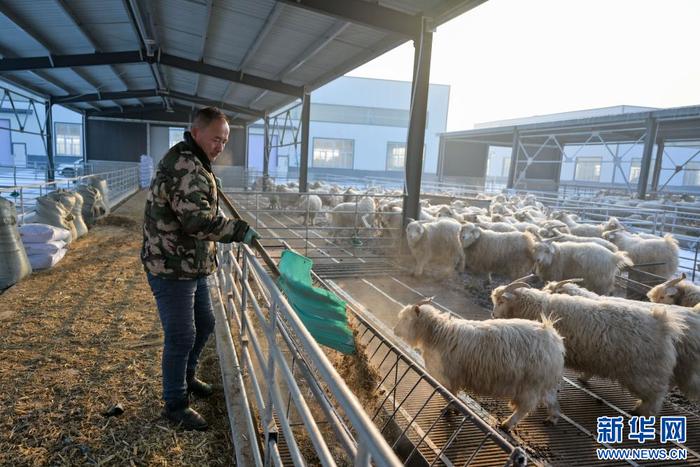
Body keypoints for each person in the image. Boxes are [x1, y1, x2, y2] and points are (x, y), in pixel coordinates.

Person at [141, 107, 259, 430]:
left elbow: (195, 207)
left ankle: (187, 375)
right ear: (196, 133)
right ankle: (175, 404)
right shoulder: (187, 167)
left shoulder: (196, 163)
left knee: (205, 322)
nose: (220, 146)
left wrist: (208, 184)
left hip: (190, 262)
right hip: (171, 264)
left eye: (224, 141)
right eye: (215, 139)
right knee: (181, 334)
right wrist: (237, 230)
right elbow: (195, 222)